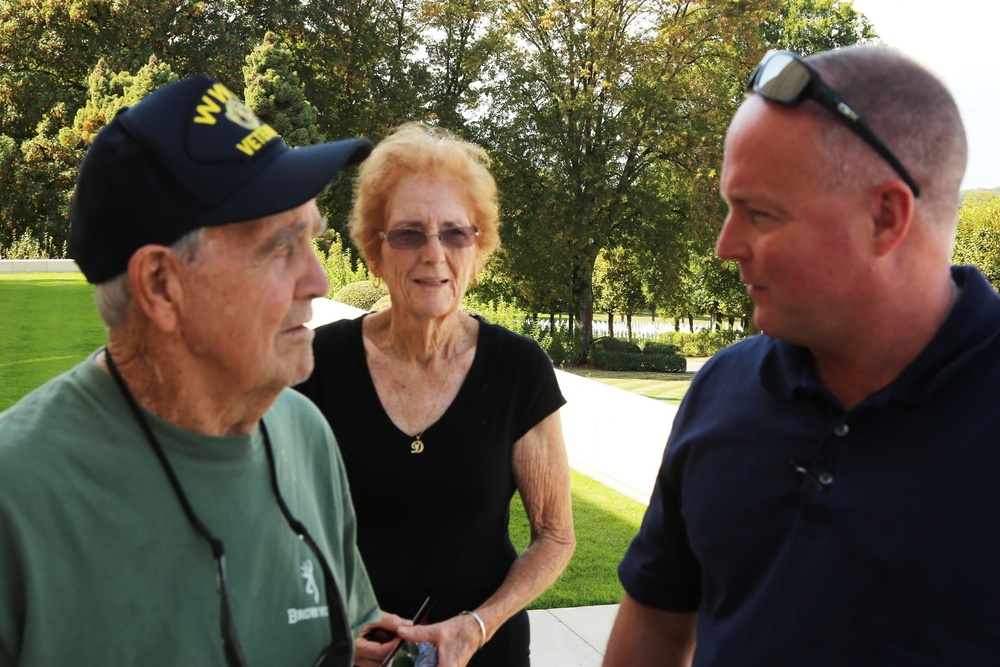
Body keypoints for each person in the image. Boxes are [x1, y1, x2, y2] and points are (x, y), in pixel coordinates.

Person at [604, 45, 1000, 666]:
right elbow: (656, 621)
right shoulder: (721, 390)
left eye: (759, 214)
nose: (725, 246)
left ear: (884, 216)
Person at [0, 74, 403, 666]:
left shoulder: (306, 435)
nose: (318, 282)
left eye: (312, 240)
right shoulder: (17, 500)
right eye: (279, 247)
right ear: (162, 286)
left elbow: (348, 630)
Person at [295, 122, 576, 667]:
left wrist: (478, 625)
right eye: (408, 234)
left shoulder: (519, 370)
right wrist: (328, 630)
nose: (433, 252)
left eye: (454, 233)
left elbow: (554, 537)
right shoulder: (316, 364)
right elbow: (274, 529)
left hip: (483, 654)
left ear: (478, 248)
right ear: (375, 251)